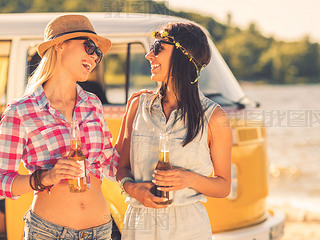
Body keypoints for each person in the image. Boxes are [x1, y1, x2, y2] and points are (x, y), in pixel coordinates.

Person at [0, 14, 124, 240]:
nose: (95, 57)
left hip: (101, 230)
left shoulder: (93, 104)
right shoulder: (20, 111)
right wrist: (45, 177)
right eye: (89, 47)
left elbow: (110, 163)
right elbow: (2, 180)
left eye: (98, 53)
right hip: (48, 232)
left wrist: (137, 113)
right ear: (59, 45)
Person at [116, 22, 233, 239]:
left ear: (183, 57)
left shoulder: (215, 118)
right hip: (139, 225)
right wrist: (132, 189)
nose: (149, 55)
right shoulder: (137, 106)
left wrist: (188, 179)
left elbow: (224, 186)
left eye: (158, 48)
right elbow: (121, 168)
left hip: (189, 228)